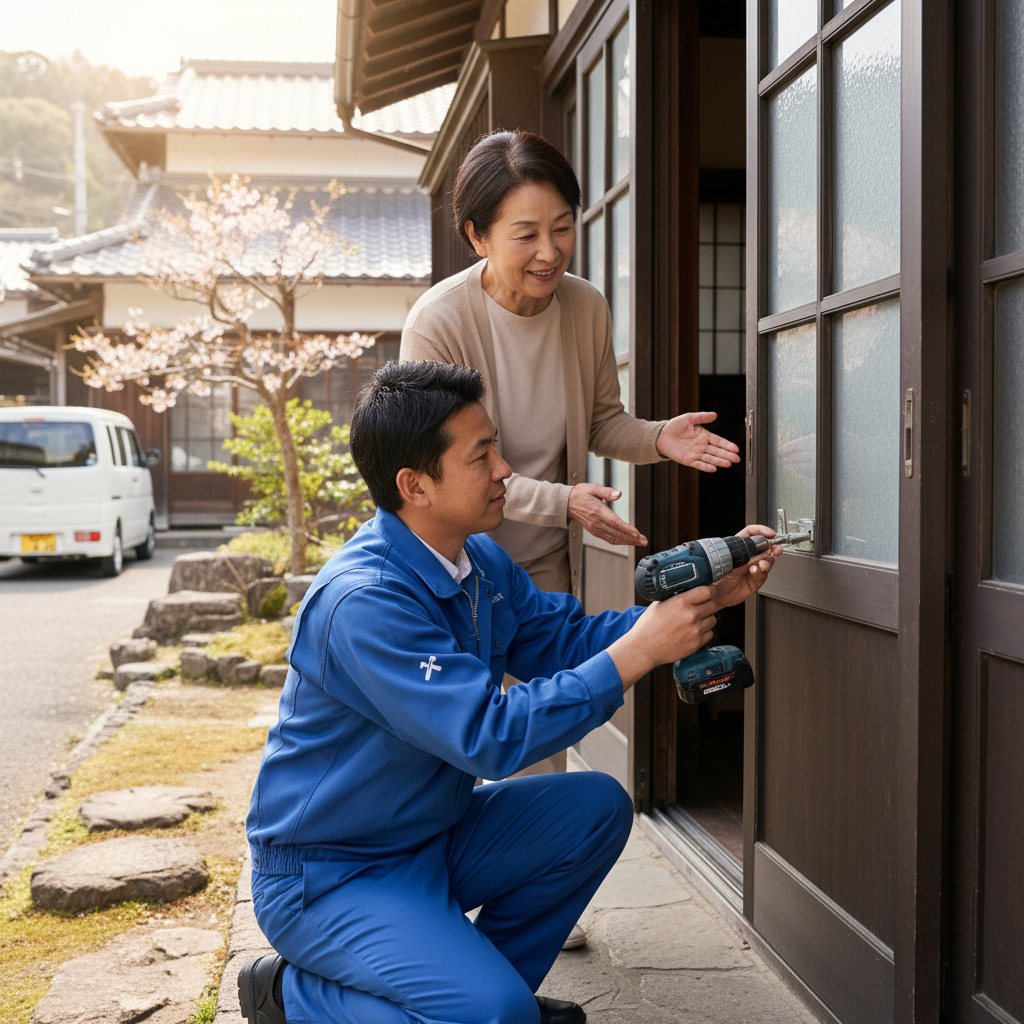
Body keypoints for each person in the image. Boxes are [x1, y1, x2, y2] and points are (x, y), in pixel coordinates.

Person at [237, 360, 780, 1024]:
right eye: (481, 456)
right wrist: (642, 650)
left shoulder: (480, 560)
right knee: (492, 1013)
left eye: (495, 446)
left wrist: (703, 598)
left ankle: (489, 995)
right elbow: (488, 737)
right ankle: (291, 996)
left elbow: (569, 641)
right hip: (331, 873)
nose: (504, 470)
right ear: (415, 485)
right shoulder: (364, 602)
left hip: (431, 834)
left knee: (594, 809)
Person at [400, 129, 741, 600]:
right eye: (526, 235)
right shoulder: (438, 323)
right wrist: (565, 501)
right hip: (457, 561)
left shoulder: (584, 305)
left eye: (562, 228)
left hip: (548, 560)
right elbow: (446, 468)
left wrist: (659, 437)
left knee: (559, 650)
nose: (550, 251)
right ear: (478, 236)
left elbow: (599, 422)